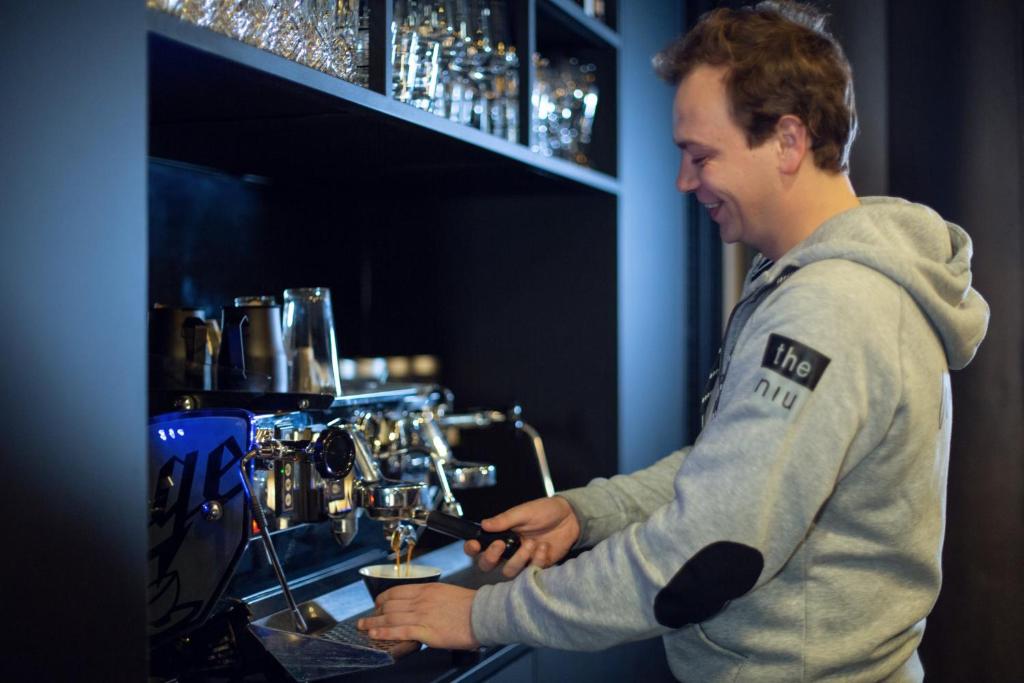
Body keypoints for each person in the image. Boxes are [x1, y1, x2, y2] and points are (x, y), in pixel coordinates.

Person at [358, 2, 990, 680]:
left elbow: (704, 555)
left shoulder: (831, 306)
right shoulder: (807, 281)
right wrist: (589, 511)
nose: (684, 181)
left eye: (700, 155)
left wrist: (478, 614)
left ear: (787, 140)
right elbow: (739, 466)